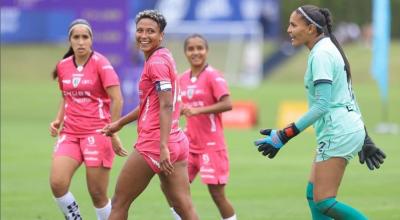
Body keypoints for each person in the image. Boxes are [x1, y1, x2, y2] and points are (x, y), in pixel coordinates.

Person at [253, 5, 386, 220]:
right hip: (344, 128)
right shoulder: (327, 48)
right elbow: (347, 95)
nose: (288, 30)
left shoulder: (322, 54)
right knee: (312, 195)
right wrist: (364, 137)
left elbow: (322, 106)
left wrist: (284, 135)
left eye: (294, 25)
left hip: (338, 131)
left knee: (324, 201)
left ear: (311, 29)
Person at [101, 10, 199, 220]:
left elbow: (166, 105)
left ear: (161, 35)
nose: (144, 35)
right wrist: (119, 123)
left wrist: (162, 146)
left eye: (151, 31)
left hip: (156, 143)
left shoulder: (155, 64)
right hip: (177, 141)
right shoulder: (164, 56)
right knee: (185, 208)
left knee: (119, 203)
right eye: (140, 30)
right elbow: (150, 105)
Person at [49, 18, 128, 220]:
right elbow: (66, 97)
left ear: (91, 40)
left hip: (98, 133)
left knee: (97, 194)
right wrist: (58, 120)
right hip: (70, 133)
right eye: (76, 37)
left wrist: (113, 131)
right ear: (70, 41)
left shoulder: (101, 63)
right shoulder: (63, 65)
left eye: (85, 37)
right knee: (57, 183)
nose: (81, 41)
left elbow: (117, 99)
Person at [166, 34, 237, 220]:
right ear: (185, 53)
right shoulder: (181, 79)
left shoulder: (213, 76)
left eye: (200, 48)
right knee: (173, 190)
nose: (195, 52)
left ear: (207, 51)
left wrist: (198, 110)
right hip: (189, 146)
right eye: (191, 49)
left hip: (212, 146)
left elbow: (228, 104)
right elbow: (176, 106)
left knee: (217, 196)